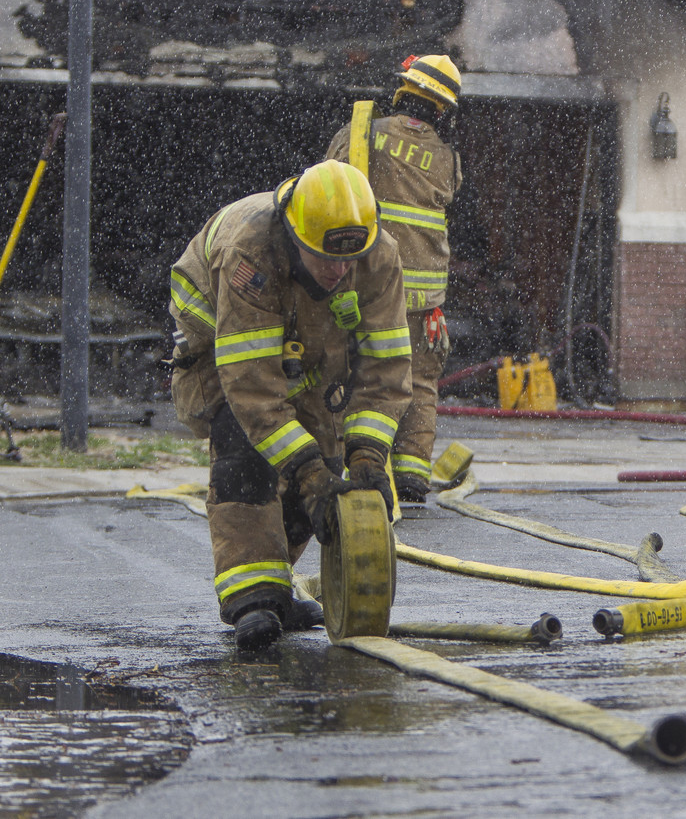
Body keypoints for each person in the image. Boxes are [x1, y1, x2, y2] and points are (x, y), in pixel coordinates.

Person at [168, 160, 412, 653]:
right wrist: (305, 470)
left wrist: (367, 457)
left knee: (326, 467)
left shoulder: (377, 255)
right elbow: (253, 387)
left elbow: (386, 372)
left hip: (304, 345)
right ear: (296, 236)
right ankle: (252, 600)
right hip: (221, 343)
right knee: (247, 453)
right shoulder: (252, 255)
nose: (340, 271)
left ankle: (278, 586)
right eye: (326, 259)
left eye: (351, 258)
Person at [325, 54, 464, 503]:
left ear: (402, 90)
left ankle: (355, 464)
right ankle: (412, 476)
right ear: (441, 109)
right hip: (426, 300)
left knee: (358, 374)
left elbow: (327, 183)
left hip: (366, 286)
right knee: (419, 383)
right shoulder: (447, 158)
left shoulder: (362, 136)